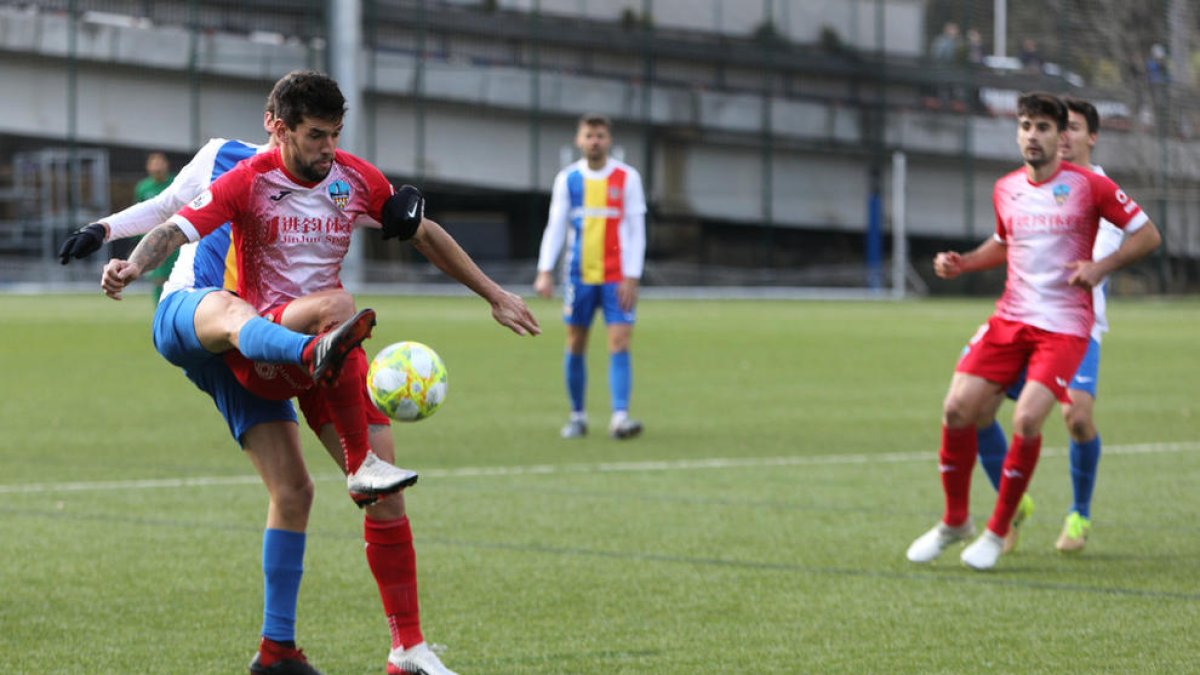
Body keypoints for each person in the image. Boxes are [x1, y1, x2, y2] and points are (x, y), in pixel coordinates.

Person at [82, 71, 540, 673]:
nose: (328, 148)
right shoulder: (246, 178)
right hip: (270, 339)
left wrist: (494, 294)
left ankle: (399, 650)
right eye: (317, 135)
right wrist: (130, 266)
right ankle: (358, 454)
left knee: (368, 499)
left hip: (330, 351)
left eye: (335, 134)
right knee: (338, 307)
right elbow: (174, 224)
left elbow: (422, 232)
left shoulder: (353, 177)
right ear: (279, 128)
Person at [905, 92, 1161, 571]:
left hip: (1066, 326)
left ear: (1066, 134)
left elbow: (1148, 233)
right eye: (1026, 126)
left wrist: (1100, 267)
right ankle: (961, 518)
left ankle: (1020, 524)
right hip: (1012, 320)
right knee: (961, 407)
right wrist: (963, 262)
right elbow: (1006, 242)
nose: (1033, 135)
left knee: (1047, 419)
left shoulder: (1092, 186)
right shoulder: (1006, 188)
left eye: (1044, 127)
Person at [973, 97, 1123, 555]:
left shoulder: (1099, 191)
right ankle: (1012, 505)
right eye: (1061, 128)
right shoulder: (1028, 184)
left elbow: (1099, 255)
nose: (1065, 135)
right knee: (973, 406)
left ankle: (1079, 513)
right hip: (1022, 323)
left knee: (1076, 417)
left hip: (1074, 328)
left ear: (1089, 137)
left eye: (1073, 128)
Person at [535, 114, 646, 440]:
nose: (595, 141)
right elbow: (555, 226)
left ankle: (620, 417)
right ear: (579, 141)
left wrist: (633, 275)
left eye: (600, 135)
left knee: (620, 342)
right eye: (589, 135)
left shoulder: (628, 178)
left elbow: (637, 230)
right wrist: (545, 270)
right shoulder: (568, 180)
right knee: (575, 342)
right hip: (578, 276)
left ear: (609, 141)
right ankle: (578, 415)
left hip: (617, 278)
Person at [134, 152, 178, 304]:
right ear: (148, 167)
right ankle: (160, 312)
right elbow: (138, 214)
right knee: (158, 279)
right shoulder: (143, 187)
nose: (157, 166)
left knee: (177, 277)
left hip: (176, 238)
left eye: (160, 162)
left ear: (166, 165)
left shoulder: (176, 183)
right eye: (154, 162)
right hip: (153, 241)